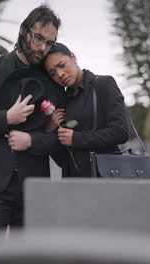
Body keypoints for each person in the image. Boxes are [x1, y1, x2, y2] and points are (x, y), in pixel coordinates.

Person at [0, 5, 62, 232]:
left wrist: (32, 141)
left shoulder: (52, 78)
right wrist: (7, 117)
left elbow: (59, 137)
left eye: (49, 43)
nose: (43, 48)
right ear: (23, 31)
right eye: (38, 38)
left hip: (34, 187)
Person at [43, 43, 129, 177]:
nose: (60, 74)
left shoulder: (103, 84)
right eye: (53, 73)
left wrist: (76, 139)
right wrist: (50, 131)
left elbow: (120, 132)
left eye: (61, 65)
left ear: (73, 57)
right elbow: (62, 159)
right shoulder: (63, 101)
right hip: (72, 185)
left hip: (104, 179)